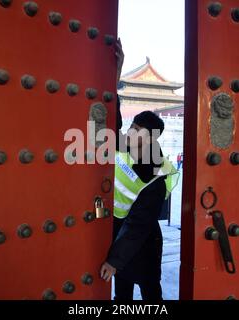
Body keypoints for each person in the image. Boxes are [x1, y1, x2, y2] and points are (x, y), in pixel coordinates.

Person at [99, 39, 179, 300]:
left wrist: (114, 260)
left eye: (137, 131)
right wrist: (116, 73)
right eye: (132, 128)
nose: (130, 132)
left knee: (150, 293)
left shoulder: (155, 176)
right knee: (121, 295)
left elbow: (139, 225)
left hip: (142, 245)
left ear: (151, 138)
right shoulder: (124, 147)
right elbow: (112, 116)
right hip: (119, 237)